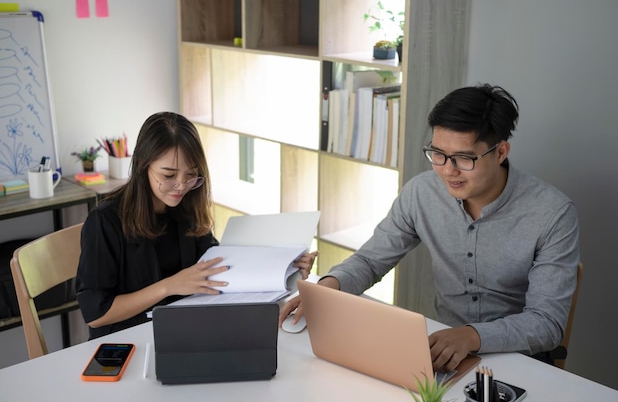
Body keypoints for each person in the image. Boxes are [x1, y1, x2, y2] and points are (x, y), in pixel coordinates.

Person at [280, 84, 580, 371]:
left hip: (518, 358)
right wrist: (326, 291)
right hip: (440, 347)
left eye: (464, 158)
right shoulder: (421, 192)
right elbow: (371, 260)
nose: (448, 170)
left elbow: (547, 323)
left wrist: (470, 335)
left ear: (501, 152)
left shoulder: (552, 213)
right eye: (437, 154)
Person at [76, 112, 317, 339]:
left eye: (191, 175)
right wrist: (168, 286)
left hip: (185, 334)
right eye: (169, 176)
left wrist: (286, 267)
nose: (181, 186)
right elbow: (96, 314)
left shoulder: (186, 210)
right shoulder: (105, 222)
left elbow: (221, 272)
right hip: (127, 343)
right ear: (142, 165)